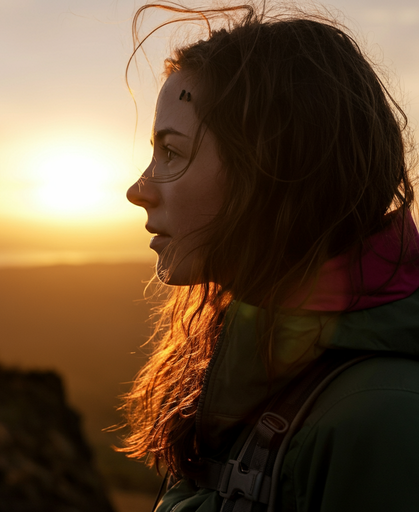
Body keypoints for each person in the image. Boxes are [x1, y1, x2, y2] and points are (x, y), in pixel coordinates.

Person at [123, 2, 419, 511]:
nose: (138, 190)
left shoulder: (385, 421)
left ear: (268, 168)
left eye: (171, 151)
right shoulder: (252, 357)